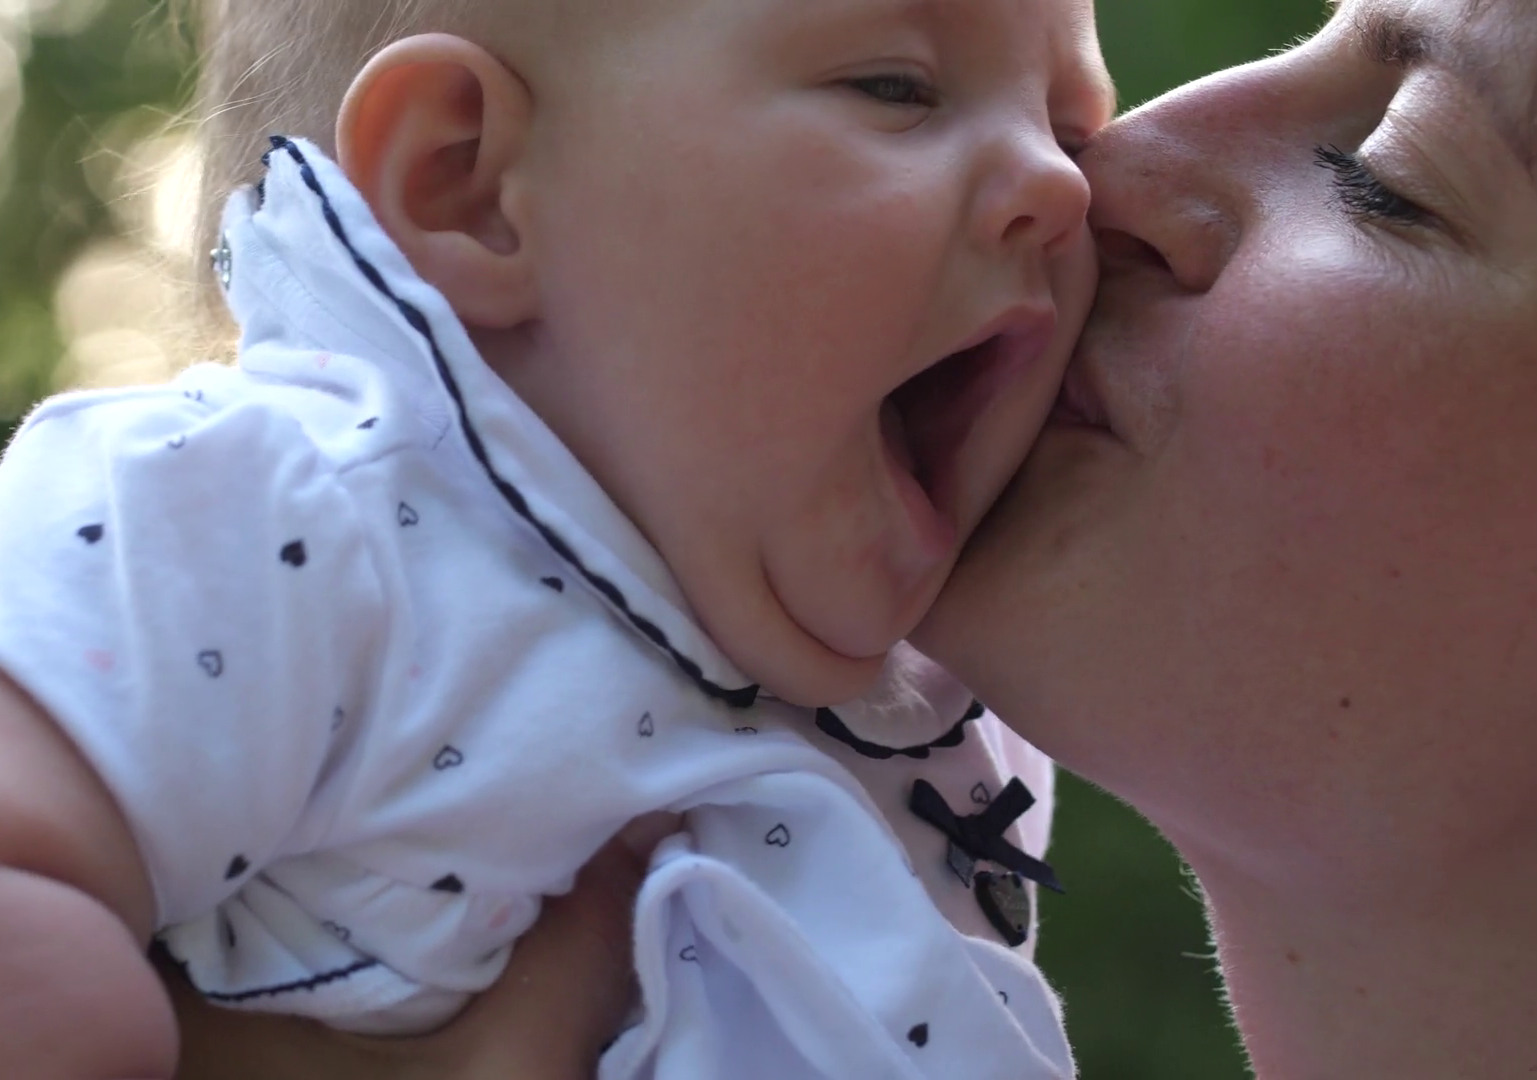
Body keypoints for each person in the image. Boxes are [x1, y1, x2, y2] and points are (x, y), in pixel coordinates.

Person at [0, 0, 1117, 1078]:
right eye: (896, 86)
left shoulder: (945, 711)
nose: (1061, 188)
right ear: (471, 184)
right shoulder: (282, 509)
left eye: (1073, 125)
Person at [159, 0, 1537, 1075]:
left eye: (1389, 175)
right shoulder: (229, 548)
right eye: (895, 88)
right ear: (466, 179)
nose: (1096, 174)